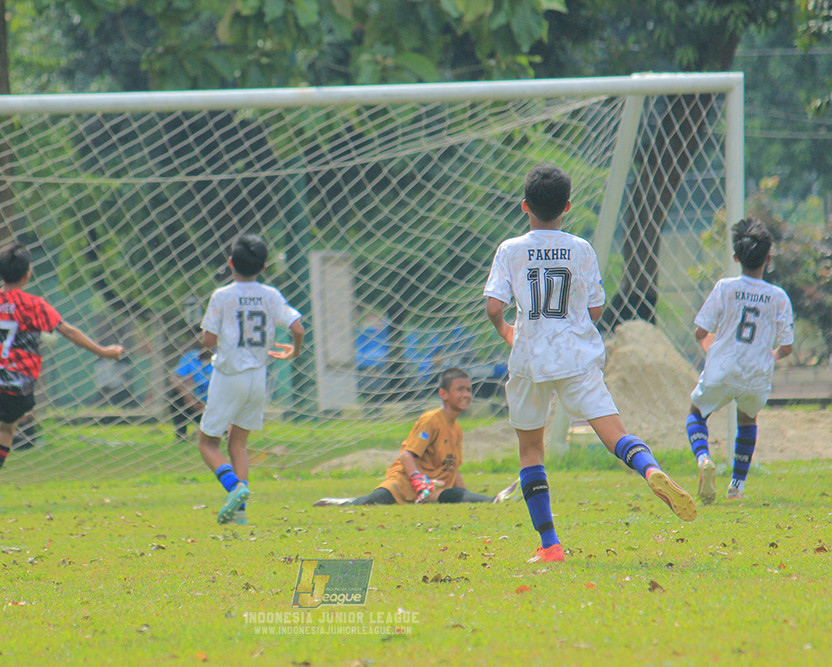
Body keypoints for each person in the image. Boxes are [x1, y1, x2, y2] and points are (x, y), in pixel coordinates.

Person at [483, 163, 697, 564]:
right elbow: (596, 309)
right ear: (567, 206)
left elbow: (494, 305)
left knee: (531, 449)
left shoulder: (511, 249)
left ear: (524, 206)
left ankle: (550, 545)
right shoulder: (581, 248)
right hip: (578, 356)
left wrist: (508, 330)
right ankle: (650, 470)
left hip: (531, 358)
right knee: (615, 434)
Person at [0, 242, 123, 514]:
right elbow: (67, 331)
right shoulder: (34, 305)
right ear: (27, 274)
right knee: (7, 430)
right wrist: (103, 350)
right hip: (18, 385)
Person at [684, 218, 794, 503]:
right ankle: (736, 487)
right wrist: (768, 356)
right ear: (768, 258)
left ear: (736, 257)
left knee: (696, 413)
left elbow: (700, 331)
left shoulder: (725, 287)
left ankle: (704, 459)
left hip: (722, 367)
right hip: (756, 373)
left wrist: (713, 352)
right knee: (747, 420)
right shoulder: (778, 297)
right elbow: (787, 346)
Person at [198, 233, 304, 526]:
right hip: (258, 378)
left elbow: (208, 340)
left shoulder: (222, 296)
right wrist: (294, 352)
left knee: (207, 444)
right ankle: (240, 514)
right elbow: (297, 328)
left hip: (229, 376)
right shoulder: (271, 295)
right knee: (239, 443)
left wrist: (204, 338)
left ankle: (236, 487)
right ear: (263, 267)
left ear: (230, 262)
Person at [313, 367, 519, 506]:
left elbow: (453, 468)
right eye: (460, 390)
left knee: (455, 495)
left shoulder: (457, 429)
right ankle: (343, 503)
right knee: (375, 501)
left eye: (468, 390)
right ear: (443, 394)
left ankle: (494, 500)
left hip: (431, 489)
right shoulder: (431, 420)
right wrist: (418, 480)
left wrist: (468, 496)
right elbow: (407, 455)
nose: (466, 394)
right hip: (406, 481)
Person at [169, 344, 212, 440]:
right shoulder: (190, 357)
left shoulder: (222, 357)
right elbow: (174, 378)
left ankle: (227, 434)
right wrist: (190, 398)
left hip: (215, 404)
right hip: (195, 403)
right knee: (175, 394)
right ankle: (181, 435)